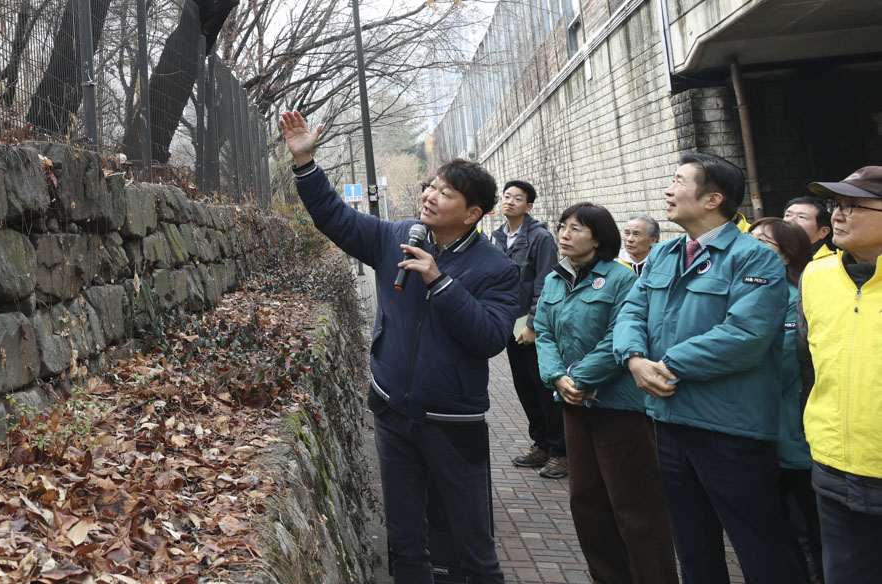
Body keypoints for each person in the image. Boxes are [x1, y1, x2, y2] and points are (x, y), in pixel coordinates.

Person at [279, 109, 517, 584]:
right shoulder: (397, 237)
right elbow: (336, 218)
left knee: (474, 547)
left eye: (445, 193)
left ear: (472, 214)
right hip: (392, 413)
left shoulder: (497, 268)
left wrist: (439, 281)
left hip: (453, 423)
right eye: (431, 186)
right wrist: (305, 163)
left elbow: (489, 337)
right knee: (406, 544)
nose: (430, 195)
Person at [612, 151, 802, 584]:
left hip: (730, 429)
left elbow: (746, 336)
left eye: (679, 181)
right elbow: (631, 312)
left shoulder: (755, 258)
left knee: (761, 549)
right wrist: (634, 358)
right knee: (694, 549)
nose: (668, 190)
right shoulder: (664, 254)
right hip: (669, 421)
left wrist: (665, 364)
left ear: (713, 198)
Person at [536, 202, 678, 584]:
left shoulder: (622, 279)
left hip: (618, 407)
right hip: (574, 404)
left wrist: (577, 378)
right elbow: (544, 333)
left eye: (576, 228)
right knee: (586, 502)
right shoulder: (555, 279)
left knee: (634, 505)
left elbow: (620, 336)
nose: (565, 234)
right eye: (562, 226)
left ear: (598, 238)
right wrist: (556, 377)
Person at [798, 166, 882, 584]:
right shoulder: (816, 276)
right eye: (836, 204)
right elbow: (808, 365)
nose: (837, 214)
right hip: (834, 467)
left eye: (854, 206)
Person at [748, 217, 823, 583]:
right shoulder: (748, 294)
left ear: (786, 256)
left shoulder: (797, 300)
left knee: (806, 530)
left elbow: (784, 370)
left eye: (762, 242)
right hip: (759, 435)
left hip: (793, 439)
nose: (750, 246)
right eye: (750, 238)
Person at [490, 180, 566, 478]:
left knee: (543, 387)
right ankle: (542, 444)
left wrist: (533, 324)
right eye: (506, 196)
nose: (509, 201)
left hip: (532, 325)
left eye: (517, 198)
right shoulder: (499, 236)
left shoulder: (540, 238)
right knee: (524, 387)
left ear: (529, 206)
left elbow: (545, 284)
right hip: (510, 323)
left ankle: (561, 452)